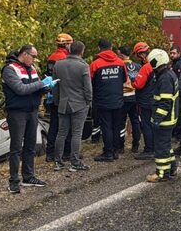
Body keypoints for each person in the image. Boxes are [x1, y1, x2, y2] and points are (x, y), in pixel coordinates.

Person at [1, 44, 54, 194]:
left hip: (32, 110)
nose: (35, 60)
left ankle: (28, 176)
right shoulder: (10, 69)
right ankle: (13, 181)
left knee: (30, 145)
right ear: (24, 54)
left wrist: (47, 87)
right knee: (16, 147)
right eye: (33, 56)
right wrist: (40, 84)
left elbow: (36, 88)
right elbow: (21, 89)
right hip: (17, 112)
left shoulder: (32, 69)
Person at [53, 40, 93, 172]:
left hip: (63, 103)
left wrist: (57, 101)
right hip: (79, 103)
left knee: (61, 132)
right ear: (82, 51)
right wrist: (88, 101)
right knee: (77, 133)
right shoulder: (83, 66)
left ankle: (58, 161)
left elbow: (55, 86)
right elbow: (88, 88)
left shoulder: (58, 65)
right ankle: (75, 161)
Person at [90, 39, 130, 162]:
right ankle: (115, 151)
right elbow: (125, 79)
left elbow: (90, 82)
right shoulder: (120, 62)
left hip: (102, 100)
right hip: (118, 99)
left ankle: (108, 152)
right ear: (111, 47)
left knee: (106, 126)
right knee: (116, 125)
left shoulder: (95, 64)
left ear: (99, 48)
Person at [145, 49, 179, 182]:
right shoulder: (169, 74)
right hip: (170, 118)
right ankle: (172, 168)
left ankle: (162, 173)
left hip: (165, 119)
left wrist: (157, 119)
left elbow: (165, 102)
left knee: (160, 147)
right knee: (166, 145)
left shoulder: (164, 78)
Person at [44, 33, 73, 162]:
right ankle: (66, 152)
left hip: (52, 95)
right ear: (66, 44)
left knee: (54, 125)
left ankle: (50, 153)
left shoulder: (51, 57)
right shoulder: (65, 58)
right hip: (64, 96)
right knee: (67, 124)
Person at [133, 42, 156, 160]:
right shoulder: (158, 64)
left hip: (145, 100)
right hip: (155, 99)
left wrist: (133, 79)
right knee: (154, 124)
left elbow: (138, 84)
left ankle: (149, 149)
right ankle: (155, 147)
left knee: (146, 125)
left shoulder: (146, 67)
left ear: (141, 54)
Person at [118, 45, 141, 153]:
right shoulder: (137, 66)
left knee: (121, 122)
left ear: (121, 54)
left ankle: (120, 146)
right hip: (135, 96)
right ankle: (136, 145)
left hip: (124, 96)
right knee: (135, 121)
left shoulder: (120, 65)